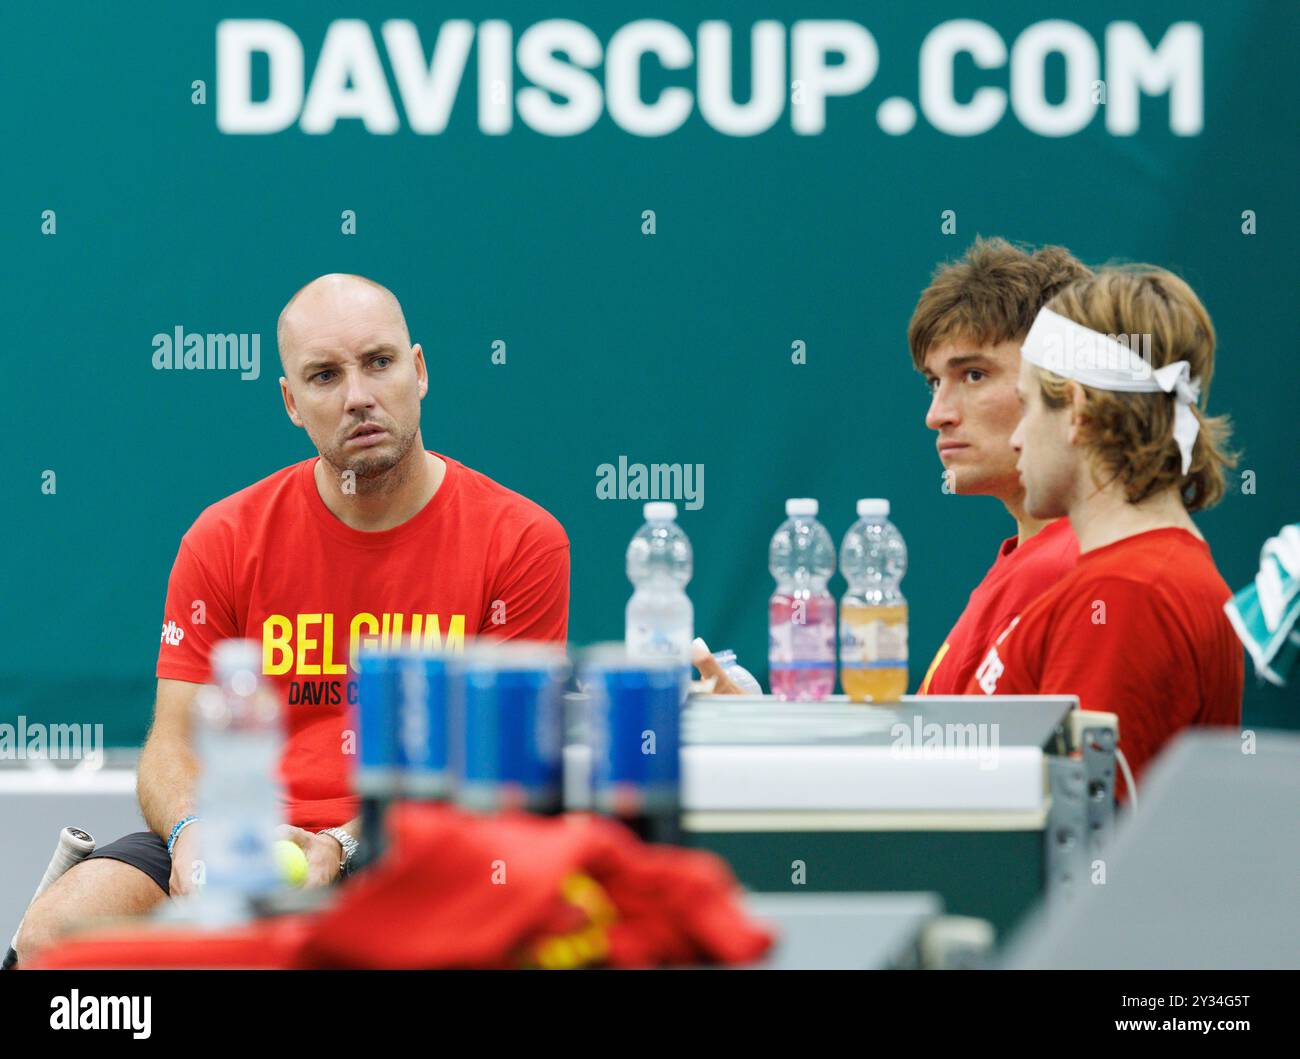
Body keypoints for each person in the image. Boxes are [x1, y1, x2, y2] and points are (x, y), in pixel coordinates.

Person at [15, 274, 570, 965]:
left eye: (379, 362)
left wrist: (342, 844)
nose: (359, 396)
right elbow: (171, 744)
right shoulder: (222, 538)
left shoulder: (521, 541)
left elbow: (505, 774)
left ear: (419, 370)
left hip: (417, 851)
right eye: (324, 375)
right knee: (53, 935)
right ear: (291, 402)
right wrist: (192, 832)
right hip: (239, 840)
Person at [969, 267, 1243, 798]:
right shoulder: (1140, 577)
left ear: (1077, 409)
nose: (1018, 439)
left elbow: (1081, 843)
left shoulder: (1124, 595)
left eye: (1026, 407)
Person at [910, 238, 1087, 694]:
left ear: (1064, 389)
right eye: (934, 382)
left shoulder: (1069, 568)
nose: (937, 414)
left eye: (974, 375)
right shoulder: (1026, 561)